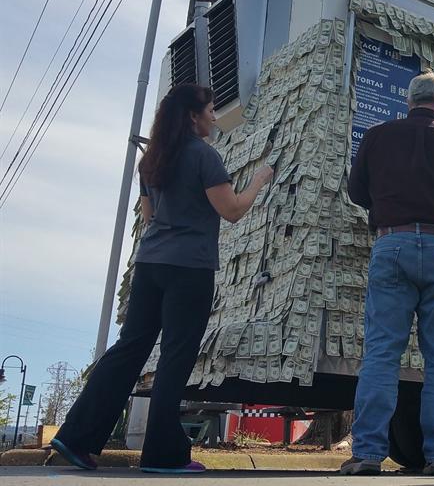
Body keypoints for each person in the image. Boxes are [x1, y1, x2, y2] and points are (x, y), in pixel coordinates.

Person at [50, 84, 273, 474]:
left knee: (129, 349)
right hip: (190, 268)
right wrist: (259, 179)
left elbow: (149, 218)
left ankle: (76, 437)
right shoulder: (204, 156)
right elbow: (233, 210)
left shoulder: (151, 162)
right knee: (176, 354)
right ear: (193, 116)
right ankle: (164, 455)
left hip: (151, 264)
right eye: (210, 111)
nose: (214, 117)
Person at [342, 71, 434, 477]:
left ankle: (368, 454)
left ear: (409, 102)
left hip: (392, 244)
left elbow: (357, 192)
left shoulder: (378, 135)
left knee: (382, 353)